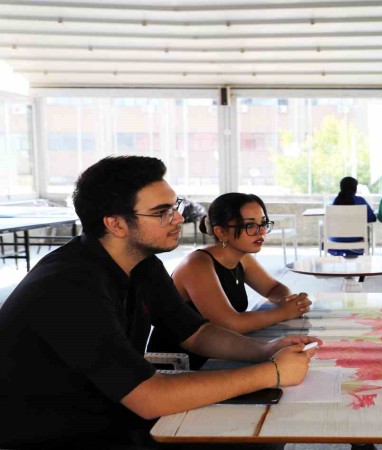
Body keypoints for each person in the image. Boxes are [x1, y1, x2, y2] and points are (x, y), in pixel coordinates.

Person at [0, 156, 318, 449]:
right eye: (162, 211)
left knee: (265, 431)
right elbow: (149, 397)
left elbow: (196, 332)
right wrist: (272, 373)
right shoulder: (69, 286)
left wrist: (264, 350)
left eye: (175, 205)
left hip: (114, 412)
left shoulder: (142, 264)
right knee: (258, 438)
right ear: (115, 224)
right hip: (59, 436)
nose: (178, 217)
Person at [148, 192, 313, 370]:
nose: (261, 231)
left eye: (263, 223)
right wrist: (284, 312)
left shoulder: (242, 258)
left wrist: (287, 301)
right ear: (221, 232)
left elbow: (273, 288)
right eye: (250, 225)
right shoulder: (197, 264)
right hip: (181, 364)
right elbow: (230, 324)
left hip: (221, 351)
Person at [328, 176, 377, 256]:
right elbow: (372, 218)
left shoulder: (334, 201)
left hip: (336, 239)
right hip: (356, 239)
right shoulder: (360, 201)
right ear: (354, 188)